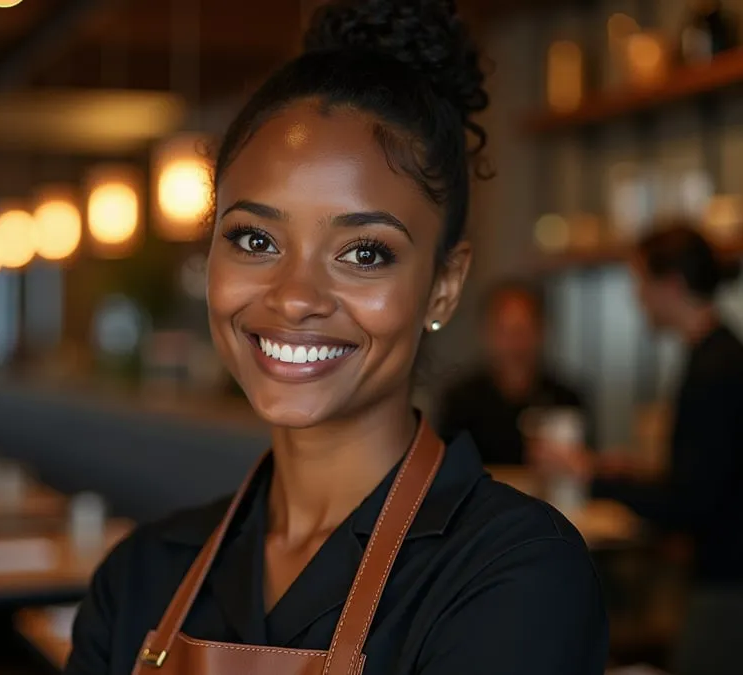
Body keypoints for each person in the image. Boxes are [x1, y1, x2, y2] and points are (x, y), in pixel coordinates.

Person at [66, 2, 608, 674]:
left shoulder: (515, 573)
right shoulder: (140, 578)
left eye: (364, 252)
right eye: (255, 239)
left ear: (443, 282)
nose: (294, 296)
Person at [536, 223, 743, 585]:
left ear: (673, 285)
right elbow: (706, 475)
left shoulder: (714, 368)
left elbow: (690, 504)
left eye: (642, 282)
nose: (637, 297)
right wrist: (634, 473)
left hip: (727, 576)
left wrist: (591, 476)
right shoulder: (717, 354)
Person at [438, 280, 594, 465]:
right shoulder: (462, 402)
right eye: (506, 332)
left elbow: (588, 466)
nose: (516, 344)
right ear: (486, 333)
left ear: (542, 331)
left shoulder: (567, 398)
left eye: (523, 330)